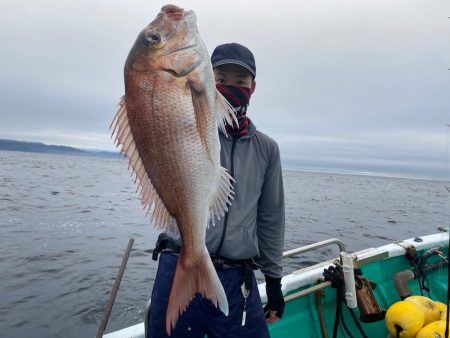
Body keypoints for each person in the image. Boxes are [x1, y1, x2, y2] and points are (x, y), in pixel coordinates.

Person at [147, 42, 285, 338]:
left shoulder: (267, 150)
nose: (231, 87)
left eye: (241, 81)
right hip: (178, 266)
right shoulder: (187, 130)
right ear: (207, 79)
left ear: (253, 87)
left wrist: (273, 280)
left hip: (236, 279)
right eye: (221, 79)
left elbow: (271, 218)